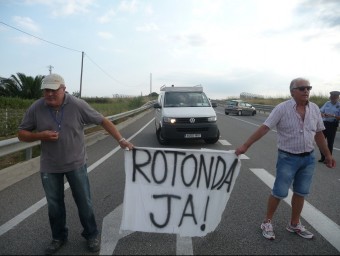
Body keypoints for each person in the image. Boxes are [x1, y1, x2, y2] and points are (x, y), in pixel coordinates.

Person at [18, 73, 134, 255]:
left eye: (54, 90)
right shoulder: (37, 108)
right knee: (54, 205)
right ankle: (58, 237)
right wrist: (40, 136)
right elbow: (21, 134)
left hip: (76, 163)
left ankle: (91, 234)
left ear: (63, 89)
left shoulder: (77, 105)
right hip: (50, 166)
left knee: (84, 202)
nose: (49, 94)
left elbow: (102, 120)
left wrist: (121, 140)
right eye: (46, 90)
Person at [235, 78, 336, 241]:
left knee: (301, 192)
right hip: (287, 158)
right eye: (302, 88)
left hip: (308, 158)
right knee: (279, 192)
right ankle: (267, 222)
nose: (306, 91)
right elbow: (265, 128)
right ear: (292, 91)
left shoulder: (315, 108)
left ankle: (294, 223)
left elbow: (319, 133)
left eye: (308, 88)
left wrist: (328, 155)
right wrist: (246, 146)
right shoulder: (282, 108)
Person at [318, 91, 340, 163]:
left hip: (332, 125)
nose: (332, 99)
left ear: (337, 97)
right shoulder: (327, 103)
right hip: (324, 123)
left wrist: (332, 115)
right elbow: (320, 111)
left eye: (334, 98)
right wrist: (323, 114)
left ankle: (328, 158)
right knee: (321, 141)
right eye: (331, 98)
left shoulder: (339, 105)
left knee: (330, 143)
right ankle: (323, 157)